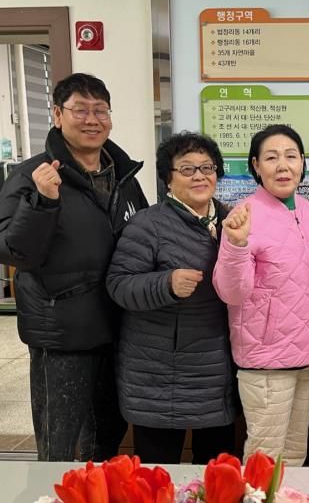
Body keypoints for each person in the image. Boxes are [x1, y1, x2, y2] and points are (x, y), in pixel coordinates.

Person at [0, 73, 148, 461]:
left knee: (108, 435)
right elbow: (14, 251)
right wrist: (43, 202)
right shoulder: (32, 176)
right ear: (57, 114)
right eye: (80, 110)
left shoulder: (123, 175)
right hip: (63, 334)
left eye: (100, 110)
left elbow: (143, 237)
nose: (92, 119)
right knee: (60, 443)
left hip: (117, 329)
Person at [106, 132, 236, 464]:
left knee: (217, 475)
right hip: (160, 374)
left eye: (207, 167)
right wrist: (165, 284)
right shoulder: (148, 224)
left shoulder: (231, 221)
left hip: (217, 368)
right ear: (168, 178)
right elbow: (119, 285)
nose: (199, 176)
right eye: (187, 169)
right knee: (157, 474)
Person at [212, 124, 309, 466]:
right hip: (266, 361)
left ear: (302, 163)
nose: (283, 166)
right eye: (271, 157)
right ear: (256, 165)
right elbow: (232, 292)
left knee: (295, 454)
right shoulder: (244, 215)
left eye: (291, 156)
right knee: (263, 459)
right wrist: (236, 244)